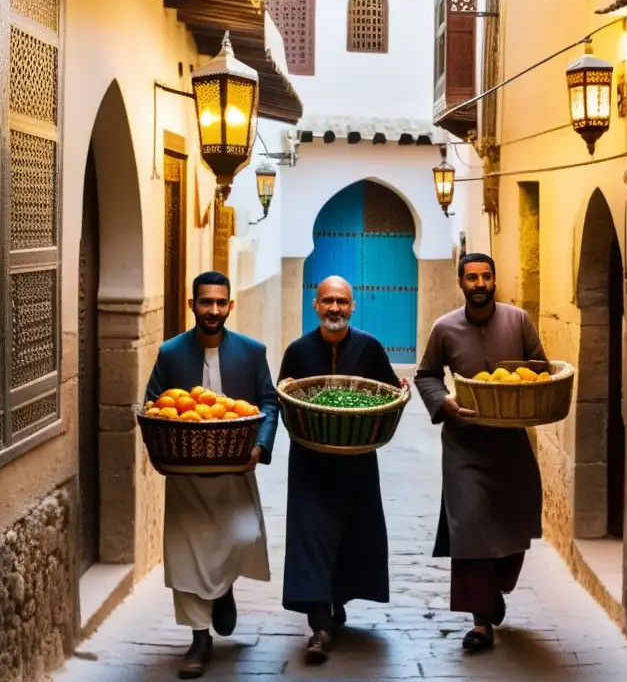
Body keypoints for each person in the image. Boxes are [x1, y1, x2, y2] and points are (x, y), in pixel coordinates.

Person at [144, 271, 279, 679]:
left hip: (236, 470)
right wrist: (158, 447)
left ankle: (223, 589)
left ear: (230, 306)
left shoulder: (252, 352)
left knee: (241, 534)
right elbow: (152, 403)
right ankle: (199, 637)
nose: (213, 311)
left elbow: (269, 402)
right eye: (206, 302)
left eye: (221, 303)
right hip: (186, 475)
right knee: (186, 556)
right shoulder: (170, 353)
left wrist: (260, 444)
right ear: (192, 306)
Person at [414, 253, 545, 651]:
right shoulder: (445, 329)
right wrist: (445, 405)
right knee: (469, 527)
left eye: (487, 276)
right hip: (464, 446)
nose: (481, 283)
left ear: (494, 280)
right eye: (472, 278)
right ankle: (481, 622)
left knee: (515, 523)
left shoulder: (518, 320)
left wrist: (532, 387)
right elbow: (426, 375)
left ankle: (495, 590)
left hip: (510, 444)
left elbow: (540, 365)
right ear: (461, 283)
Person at [278, 275, 402, 663]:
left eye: (342, 302)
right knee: (311, 534)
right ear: (315, 305)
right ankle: (319, 625)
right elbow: (284, 397)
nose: (335, 308)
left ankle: (337, 599)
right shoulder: (298, 351)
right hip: (311, 463)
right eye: (327, 301)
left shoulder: (370, 348)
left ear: (352, 307)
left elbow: (389, 396)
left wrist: (399, 389)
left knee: (352, 534)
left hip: (357, 461)